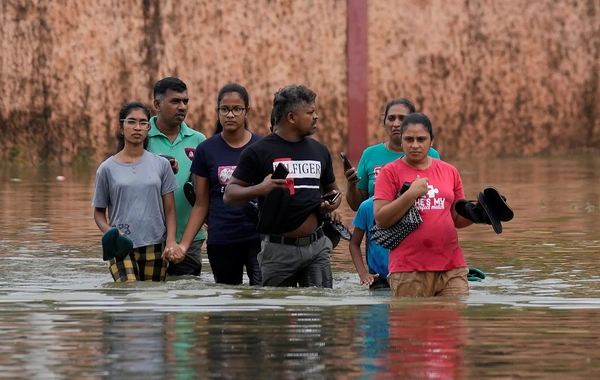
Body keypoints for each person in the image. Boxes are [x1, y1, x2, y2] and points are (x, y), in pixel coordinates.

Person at [223, 84, 342, 288]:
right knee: (276, 314)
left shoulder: (320, 150)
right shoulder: (258, 152)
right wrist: (261, 188)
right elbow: (229, 194)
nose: (316, 117)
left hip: (317, 247)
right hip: (278, 250)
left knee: (319, 310)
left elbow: (333, 190)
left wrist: (330, 204)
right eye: (310, 112)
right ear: (291, 117)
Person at [373, 112, 473, 297]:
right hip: (408, 270)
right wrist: (410, 195)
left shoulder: (449, 171)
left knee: (454, 322)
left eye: (421, 139)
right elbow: (381, 219)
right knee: (413, 324)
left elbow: (457, 219)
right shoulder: (389, 172)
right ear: (401, 141)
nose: (415, 145)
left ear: (431, 141)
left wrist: (479, 214)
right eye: (409, 139)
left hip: (452, 266)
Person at [178, 83, 262, 285]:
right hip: (222, 238)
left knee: (262, 297)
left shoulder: (262, 147)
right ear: (218, 111)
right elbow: (201, 203)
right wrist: (183, 246)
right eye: (224, 109)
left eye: (236, 109)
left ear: (247, 111)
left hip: (259, 238)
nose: (230, 115)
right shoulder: (206, 150)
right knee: (226, 303)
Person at [92, 102, 181, 282]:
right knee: (129, 293)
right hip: (121, 245)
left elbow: (170, 210)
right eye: (131, 122)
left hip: (156, 244)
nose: (137, 128)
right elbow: (98, 213)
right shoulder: (106, 168)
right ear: (121, 127)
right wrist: (111, 233)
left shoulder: (162, 165)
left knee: (152, 300)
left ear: (149, 128)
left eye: (143, 123)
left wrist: (171, 241)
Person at [147, 77, 207, 276]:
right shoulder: (141, 136)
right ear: (157, 104)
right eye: (175, 101)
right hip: (147, 239)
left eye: (185, 101)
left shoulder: (199, 140)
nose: (182, 107)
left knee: (187, 299)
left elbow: (204, 190)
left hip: (189, 239)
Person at [345, 99, 441, 212]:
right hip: (379, 226)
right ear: (384, 122)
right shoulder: (369, 154)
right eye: (391, 118)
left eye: (402, 118)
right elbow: (357, 206)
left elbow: (439, 198)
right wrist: (351, 185)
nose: (396, 124)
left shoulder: (431, 154)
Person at [349, 196, 390, 290]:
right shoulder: (367, 206)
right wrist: (363, 273)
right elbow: (354, 244)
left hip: (407, 275)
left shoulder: (412, 203)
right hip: (379, 278)